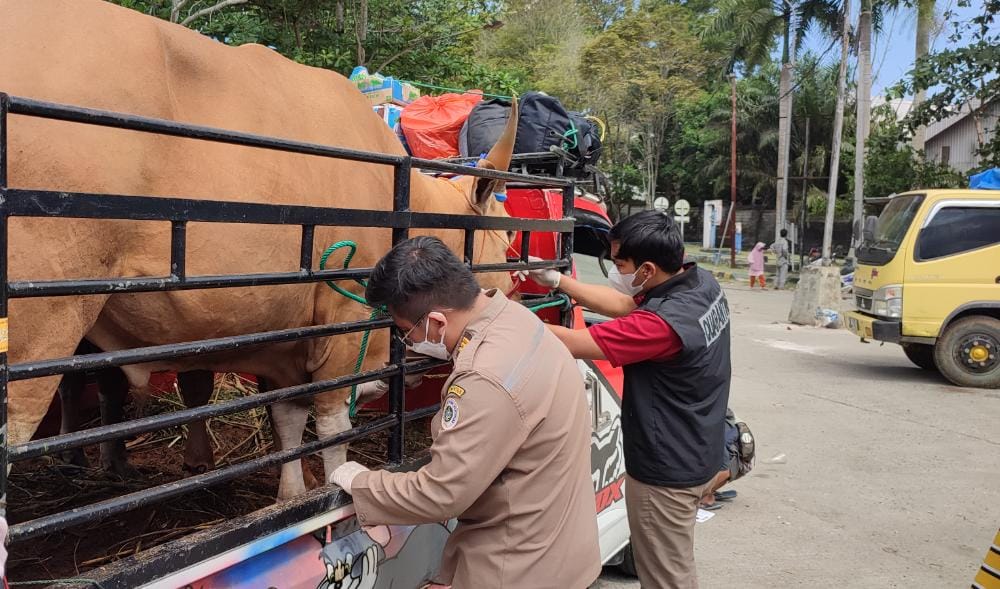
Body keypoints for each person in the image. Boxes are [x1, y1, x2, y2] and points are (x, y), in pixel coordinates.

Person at [329, 236, 600, 589]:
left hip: (514, 571)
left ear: (437, 323)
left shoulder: (483, 379)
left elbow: (441, 493)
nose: (407, 342)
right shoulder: (517, 319)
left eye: (405, 332)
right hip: (560, 555)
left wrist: (361, 482)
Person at [525, 210, 732, 589]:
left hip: (665, 470)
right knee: (674, 561)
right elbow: (627, 306)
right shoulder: (699, 284)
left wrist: (497, 315)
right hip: (697, 447)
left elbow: (575, 343)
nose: (615, 270)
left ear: (647, 270)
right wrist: (561, 282)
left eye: (620, 263)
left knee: (667, 575)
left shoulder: (661, 326)